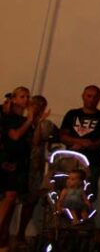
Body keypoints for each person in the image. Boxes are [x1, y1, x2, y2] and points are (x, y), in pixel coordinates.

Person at [0, 87, 40, 248]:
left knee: (12, 199)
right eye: (22, 96)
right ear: (15, 99)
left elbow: (34, 142)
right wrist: (29, 120)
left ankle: (3, 236)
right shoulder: (9, 117)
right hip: (8, 159)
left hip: (21, 161)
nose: (26, 99)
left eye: (27, 96)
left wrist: (35, 121)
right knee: (8, 198)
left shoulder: (24, 120)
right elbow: (15, 136)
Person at [15, 95, 56, 245]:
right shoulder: (20, 121)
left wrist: (38, 122)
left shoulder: (45, 124)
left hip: (35, 168)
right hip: (19, 166)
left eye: (41, 104)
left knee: (30, 202)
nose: (37, 106)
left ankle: (20, 234)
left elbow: (37, 141)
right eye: (34, 104)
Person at [59, 85, 100, 184]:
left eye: (95, 97)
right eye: (89, 96)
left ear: (99, 98)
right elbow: (62, 136)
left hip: (92, 162)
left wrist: (91, 145)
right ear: (83, 96)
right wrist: (79, 142)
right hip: (71, 160)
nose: (92, 99)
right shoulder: (72, 114)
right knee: (65, 191)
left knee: (88, 193)